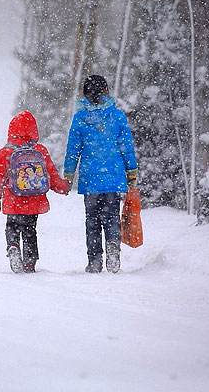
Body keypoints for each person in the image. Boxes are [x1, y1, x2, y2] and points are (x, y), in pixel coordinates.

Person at [63, 75, 138, 273]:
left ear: (85, 94)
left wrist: (69, 175)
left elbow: (73, 149)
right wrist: (131, 171)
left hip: (91, 180)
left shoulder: (80, 119)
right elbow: (126, 147)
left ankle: (94, 260)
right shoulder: (117, 116)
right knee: (112, 216)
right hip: (113, 178)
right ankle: (113, 246)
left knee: (92, 221)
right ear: (106, 91)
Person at [0, 110, 70, 273]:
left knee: (12, 226)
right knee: (30, 230)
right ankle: (30, 262)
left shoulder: (5, 153)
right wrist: (63, 187)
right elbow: (51, 175)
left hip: (13, 199)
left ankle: (12, 246)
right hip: (34, 201)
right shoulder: (40, 151)